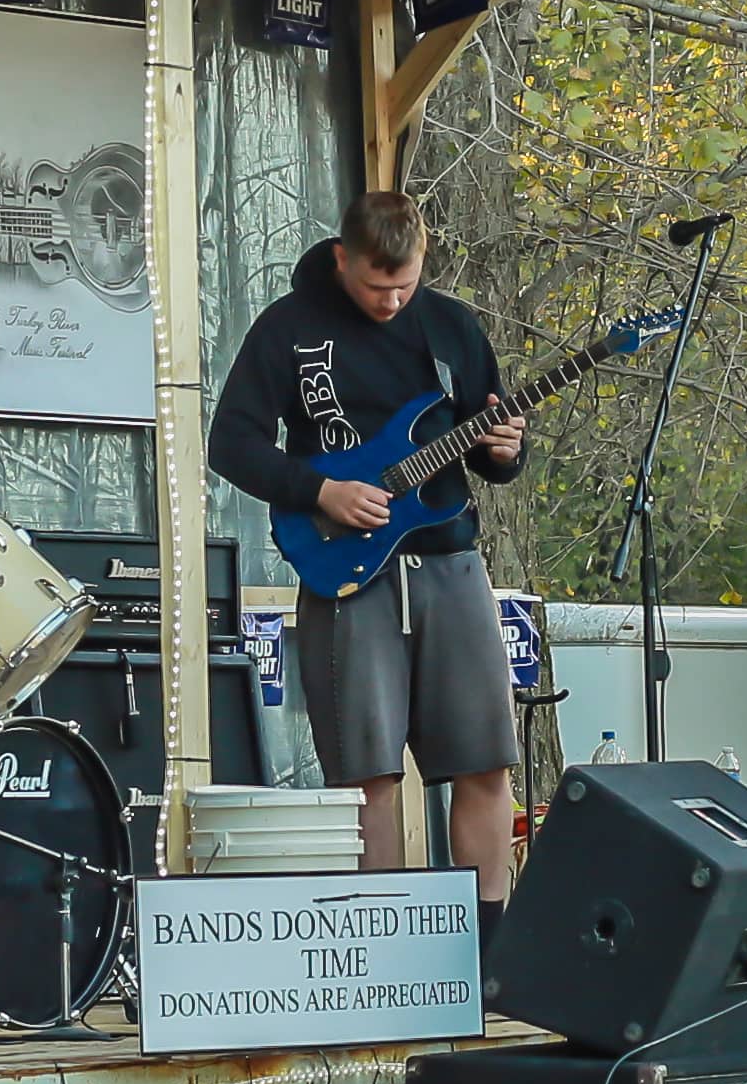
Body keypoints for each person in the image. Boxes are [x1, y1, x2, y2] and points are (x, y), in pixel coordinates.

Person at [211, 188, 527, 902]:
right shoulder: (288, 329)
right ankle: (380, 945)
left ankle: (487, 947)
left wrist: (507, 447)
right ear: (341, 258)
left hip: (448, 557)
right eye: (375, 286)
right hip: (347, 570)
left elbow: (492, 454)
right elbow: (230, 442)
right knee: (367, 774)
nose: (390, 302)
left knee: (485, 762)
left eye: (405, 285)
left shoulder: (451, 328)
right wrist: (319, 491)